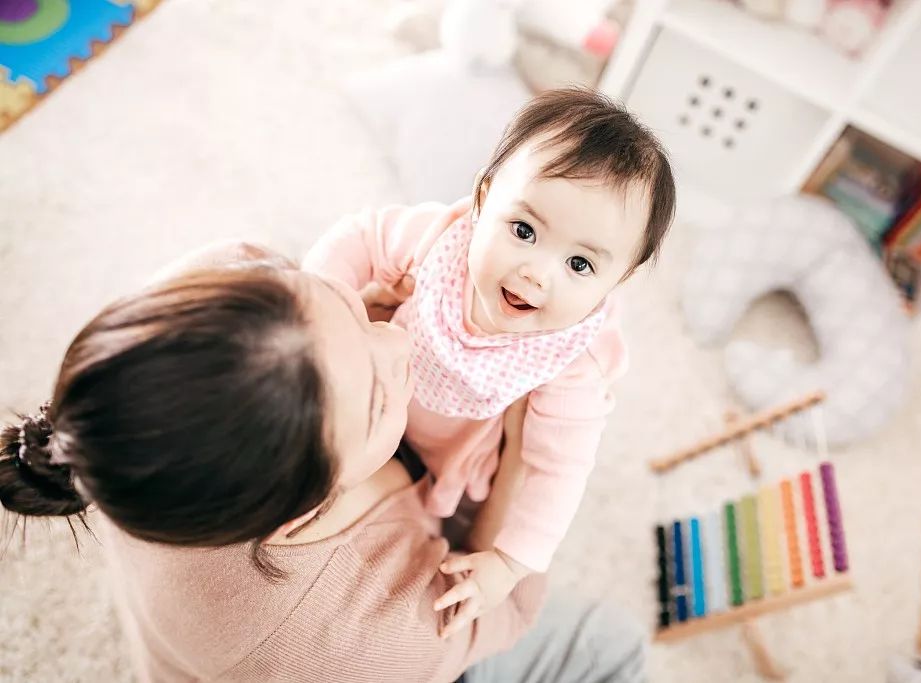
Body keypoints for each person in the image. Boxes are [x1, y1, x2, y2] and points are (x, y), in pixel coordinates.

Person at [0, 244, 647, 682]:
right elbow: (506, 609)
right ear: (302, 508)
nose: (398, 337)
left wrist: (354, 319)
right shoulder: (361, 632)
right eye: (372, 399)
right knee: (613, 642)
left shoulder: (201, 300)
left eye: (339, 305)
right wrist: (517, 463)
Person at [303, 86, 676, 632]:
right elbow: (358, 239)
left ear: (620, 279)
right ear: (482, 200)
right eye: (523, 231)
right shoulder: (438, 239)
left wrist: (507, 563)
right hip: (383, 392)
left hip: (458, 458)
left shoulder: (573, 362)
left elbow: (558, 471)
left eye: (579, 265)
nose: (537, 273)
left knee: (448, 526)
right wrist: (315, 309)